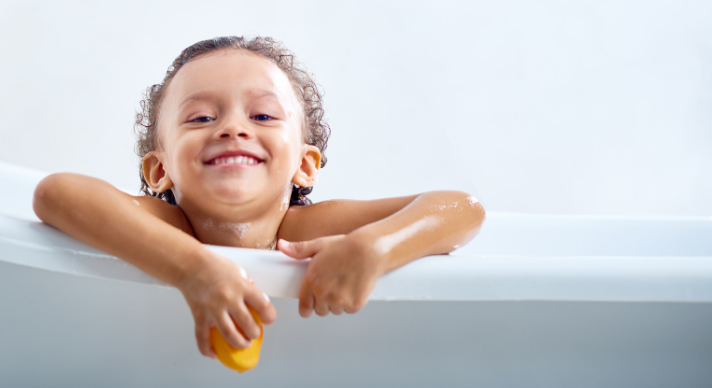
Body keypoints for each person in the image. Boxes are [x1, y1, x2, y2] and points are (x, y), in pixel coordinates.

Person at [33, 36, 486, 360]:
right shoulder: (164, 228)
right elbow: (57, 193)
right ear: (160, 170)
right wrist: (193, 270)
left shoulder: (303, 232)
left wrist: (376, 248)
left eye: (264, 114)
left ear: (305, 165)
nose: (232, 127)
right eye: (201, 117)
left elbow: (461, 209)